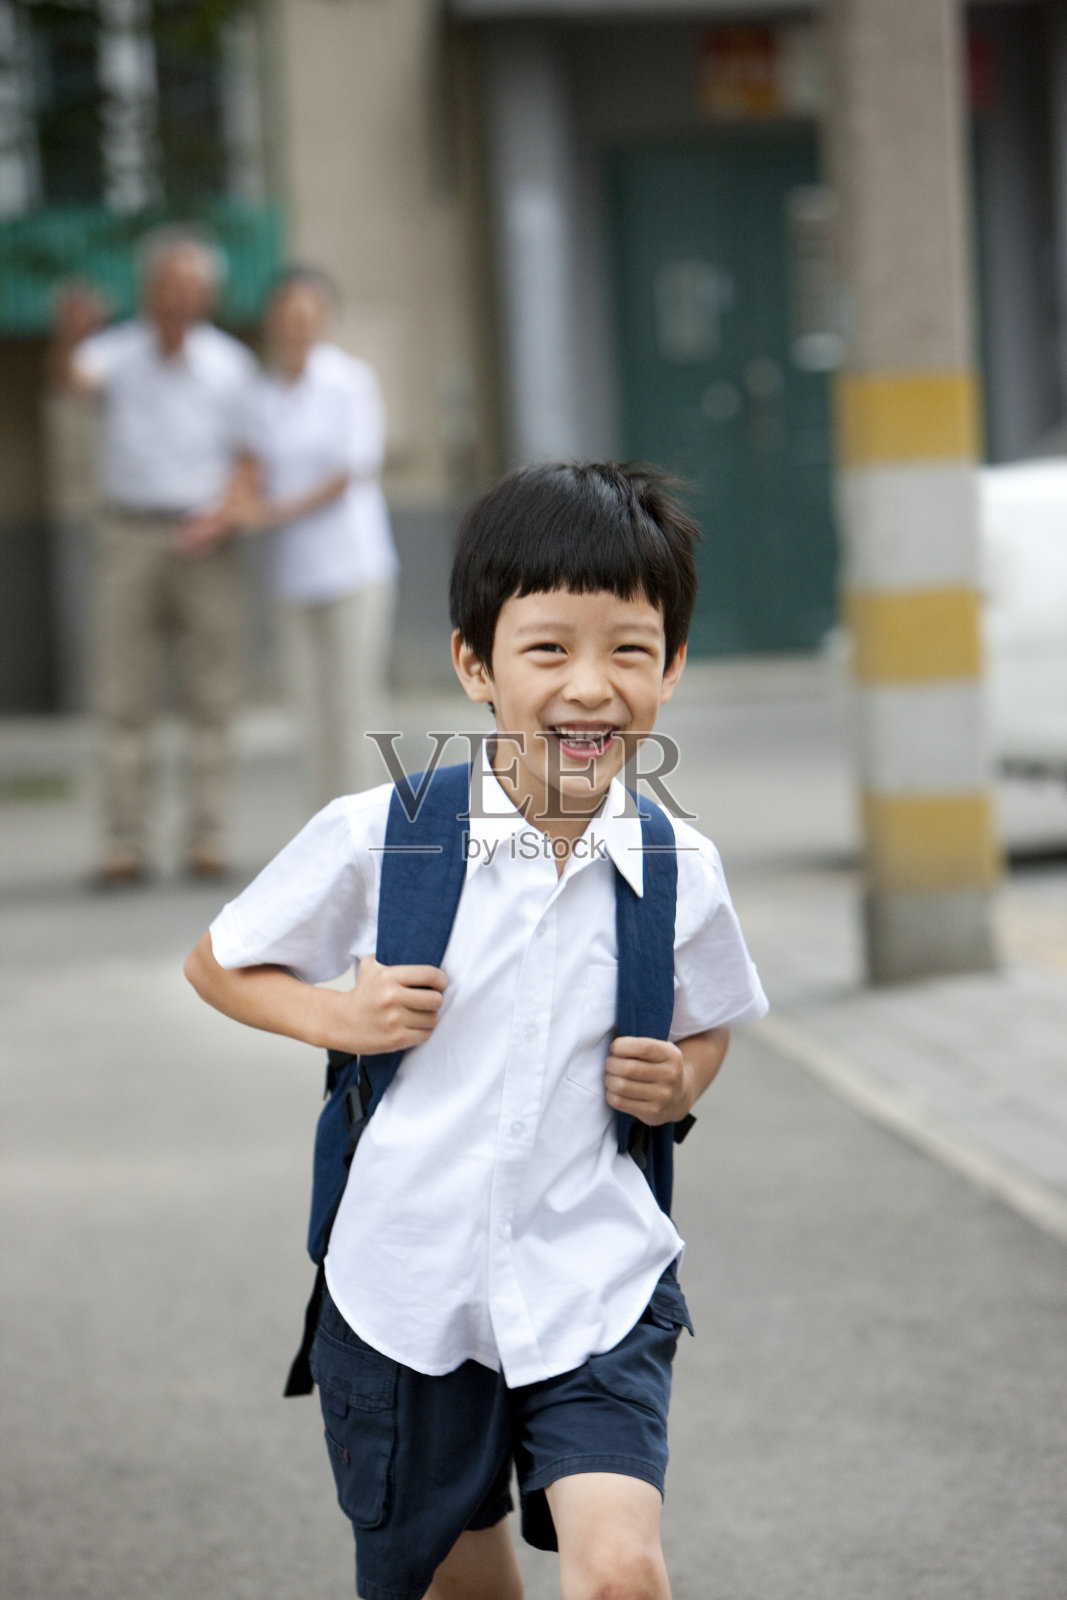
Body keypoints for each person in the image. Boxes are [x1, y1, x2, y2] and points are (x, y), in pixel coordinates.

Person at [184, 462, 768, 1600]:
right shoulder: (384, 834)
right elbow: (219, 961)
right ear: (474, 664)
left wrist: (680, 1080)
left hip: (593, 1278)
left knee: (618, 1571)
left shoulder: (678, 867)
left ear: (671, 666)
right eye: (547, 648)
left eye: (629, 650)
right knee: (466, 1586)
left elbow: (708, 1027)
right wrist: (341, 1015)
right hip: (406, 1288)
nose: (590, 687)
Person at [50, 227, 257, 885]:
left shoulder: (230, 363)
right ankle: (125, 843)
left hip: (207, 539)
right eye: (168, 285)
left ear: (209, 296)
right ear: (148, 290)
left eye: (192, 287)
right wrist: (68, 335)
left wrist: (223, 514)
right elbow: (72, 380)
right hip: (129, 533)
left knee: (212, 693)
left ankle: (208, 836)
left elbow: (249, 457)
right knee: (122, 694)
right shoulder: (115, 352)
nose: (179, 299)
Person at [216, 268, 398, 805]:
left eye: (307, 315)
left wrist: (270, 512)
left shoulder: (350, 382)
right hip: (293, 576)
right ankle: (325, 827)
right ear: (272, 321)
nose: (296, 326)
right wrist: (226, 512)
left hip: (353, 569)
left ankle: (369, 827)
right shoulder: (262, 395)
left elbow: (349, 473)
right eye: (286, 315)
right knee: (308, 712)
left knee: (353, 707)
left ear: (325, 320)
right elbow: (249, 469)